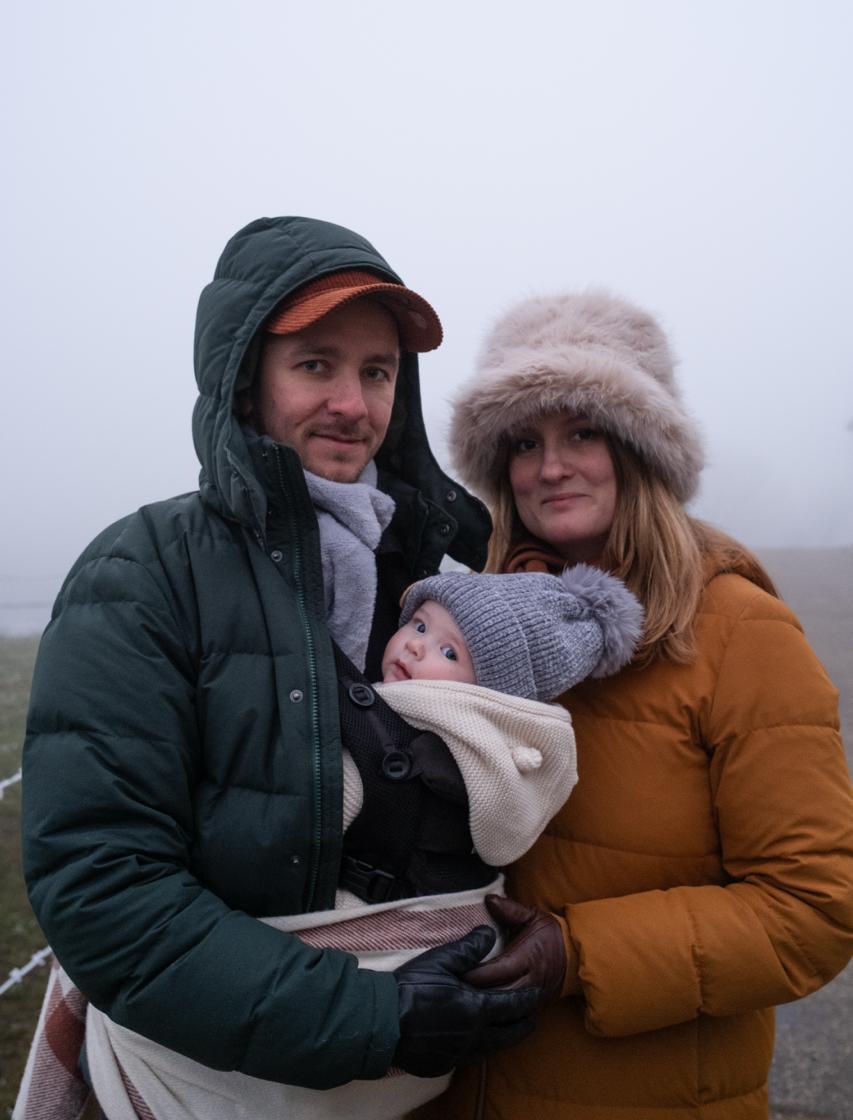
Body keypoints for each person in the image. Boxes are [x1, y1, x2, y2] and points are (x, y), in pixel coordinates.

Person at [17, 216, 541, 1120]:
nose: (352, 402)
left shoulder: (427, 577)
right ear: (244, 381)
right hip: (203, 1085)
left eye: (376, 372)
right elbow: (102, 887)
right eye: (315, 364)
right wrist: (372, 1015)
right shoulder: (143, 572)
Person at [415, 289, 853, 1120]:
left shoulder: (741, 634)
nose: (550, 467)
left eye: (582, 430)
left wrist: (578, 956)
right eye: (524, 441)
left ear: (642, 446)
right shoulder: (469, 621)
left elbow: (812, 911)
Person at [71, 566, 643, 1120]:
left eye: (450, 653)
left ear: (491, 692)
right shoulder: (501, 764)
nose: (417, 648)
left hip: (366, 962)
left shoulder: (407, 737)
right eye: (419, 624)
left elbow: (306, 812)